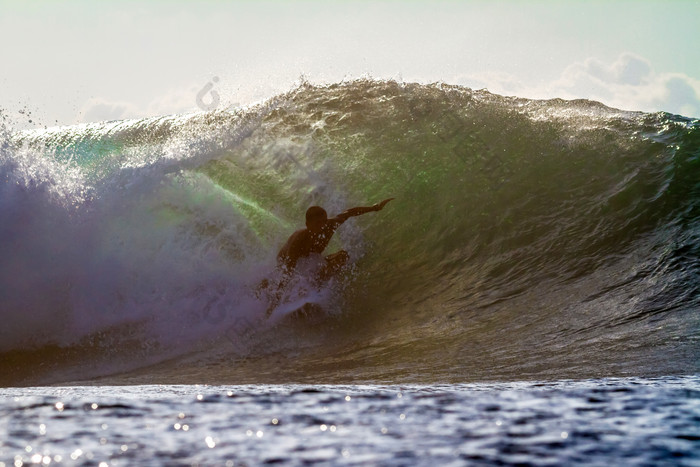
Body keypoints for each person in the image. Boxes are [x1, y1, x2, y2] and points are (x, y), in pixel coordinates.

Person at [276, 198, 394, 283]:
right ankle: (314, 287)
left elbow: (349, 213)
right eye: (318, 223)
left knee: (343, 256)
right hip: (287, 264)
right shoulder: (298, 241)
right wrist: (277, 297)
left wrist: (375, 207)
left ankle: (319, 285)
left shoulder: (329, 225)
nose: (322, 226)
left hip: (309, 261)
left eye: (324, 221)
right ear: (308, 225)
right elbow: (287, 272)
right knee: (292, 283)